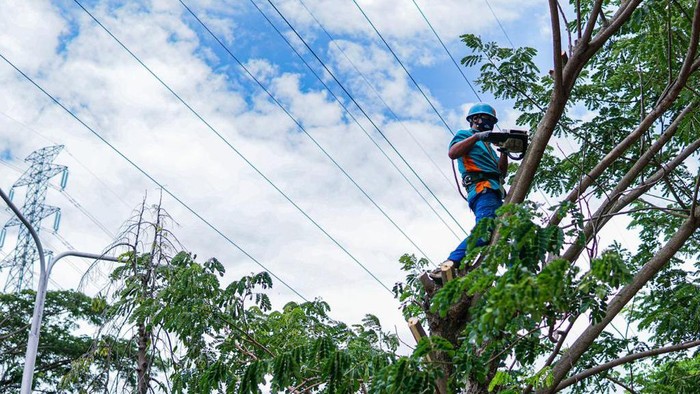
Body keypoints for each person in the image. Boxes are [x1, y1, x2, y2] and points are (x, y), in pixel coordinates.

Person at [436, 103, 508, 276]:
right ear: (474, 119)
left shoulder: (489, 147)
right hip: (482, 188)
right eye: (486, 119)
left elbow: (502, 173)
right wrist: (477, 137)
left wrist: (504, 150)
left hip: (495, 190)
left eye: (491, 120)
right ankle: (449, 265)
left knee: (497, 235)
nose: (489, 123)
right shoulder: (465, 135)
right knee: (484, 232)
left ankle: (462, 270)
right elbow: (453, 153)